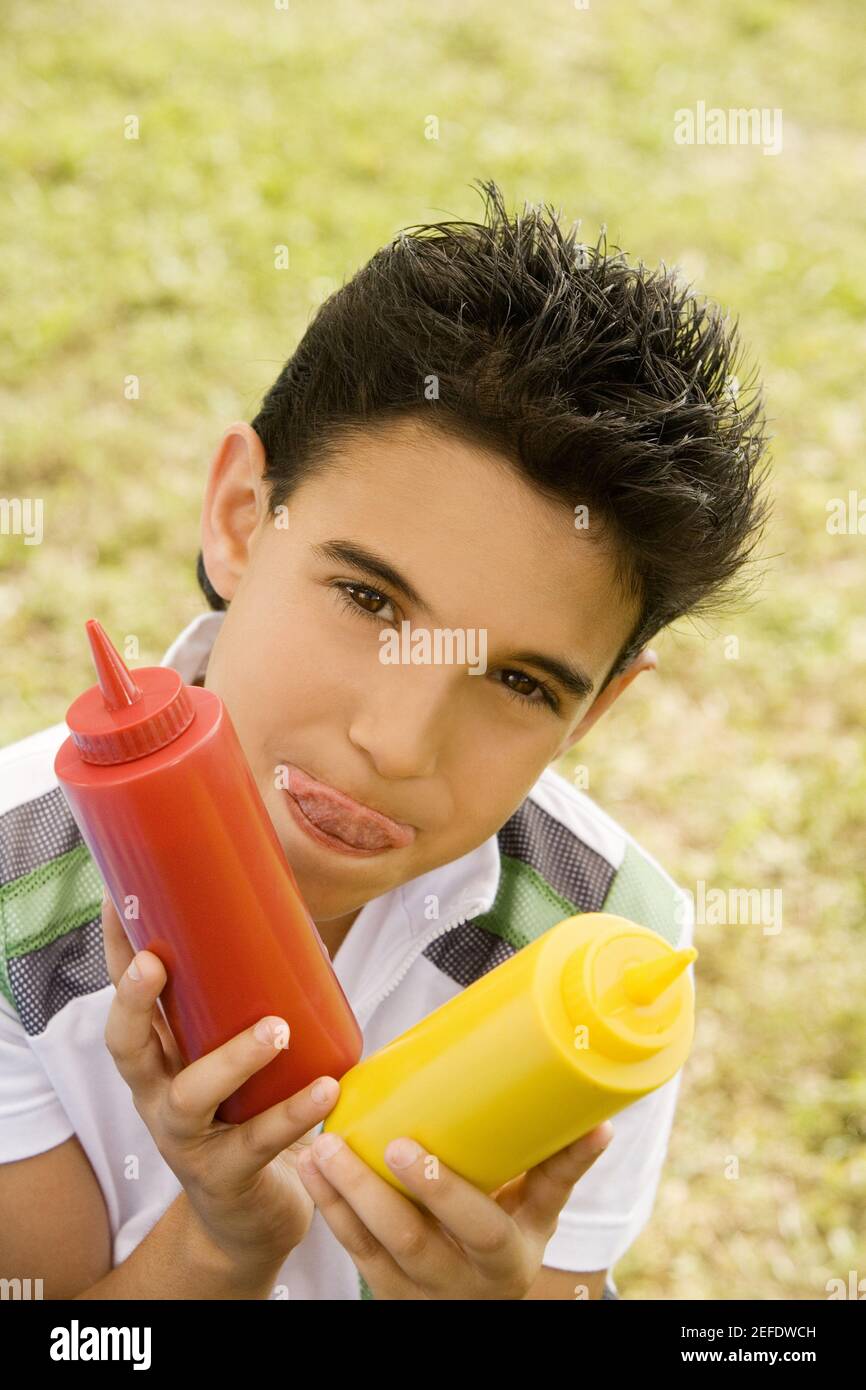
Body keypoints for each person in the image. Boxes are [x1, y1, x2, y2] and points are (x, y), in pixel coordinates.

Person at [0, 179, 770, 1300]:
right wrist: (221, 1242)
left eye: (516, 680)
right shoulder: (12, 894)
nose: (397, 742)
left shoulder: (605, 947)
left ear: (596, 709)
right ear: (239, 520)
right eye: (368, 600)